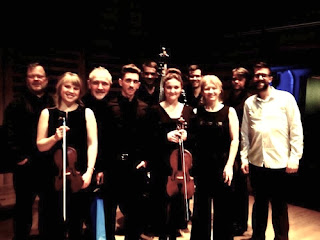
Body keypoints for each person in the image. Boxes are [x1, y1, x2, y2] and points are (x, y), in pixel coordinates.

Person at [240, 62, 304, 240]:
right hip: (256, 162)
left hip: (280, 163)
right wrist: (244, 158)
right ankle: (257, 237)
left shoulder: (286, 99)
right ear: (253, 78)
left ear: (270, 78)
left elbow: (296, 130)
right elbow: (244, 133)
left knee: (279, 206)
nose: (259, 78)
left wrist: (295, 158)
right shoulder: (249, 103)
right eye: (256, 75)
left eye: (263, 75)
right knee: (259, 205)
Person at [36, 72, 98, 240]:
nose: (71, 91)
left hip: (79, 176)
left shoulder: (87, 113)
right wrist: (55, 138)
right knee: (52, 224)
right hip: (53, 177)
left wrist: (89, 172)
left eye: (75, 87)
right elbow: (40, 146)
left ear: (80, 91)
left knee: (77, 224)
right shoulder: (47, 113)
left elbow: (92, 144)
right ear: (59, 88)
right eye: (67, 86)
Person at [3, 62, 55, 240]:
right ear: (27, 80)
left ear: (46, 80)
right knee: (23, 209)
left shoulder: (52, 102)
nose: (36, 79)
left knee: (48, 208)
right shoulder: (16, 103)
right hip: (26, 165)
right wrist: (19, 158)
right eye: (32, 76)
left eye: (40, 76)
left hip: (48, 164)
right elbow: (8, 133)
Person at [147, 70, 196, 240]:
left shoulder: (189, 111)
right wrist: (165, 137)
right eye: (169, 87)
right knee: (160, 204)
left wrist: (187, 136)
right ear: (164, 88)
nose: (172, 91)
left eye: (176, 87)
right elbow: (148, 138)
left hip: (182, 166)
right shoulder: (154, 110)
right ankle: (161, 235)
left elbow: (197, 137)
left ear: (181, 88)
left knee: (177, 206)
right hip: (161, 164)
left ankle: (174, 234)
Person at [190, 75, 239, 240]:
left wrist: (229, 165)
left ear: (219, 90)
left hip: (222, 166)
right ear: (202, 91)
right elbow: (193, 140)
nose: (210, 91)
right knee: (200, 210)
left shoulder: (229, 111)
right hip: (202, 167)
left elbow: (235, 140)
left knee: (223, 210)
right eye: (206, 88)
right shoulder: (197, 112)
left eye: (214, 88)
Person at [103, 63, 149, 240]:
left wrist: (146, 160)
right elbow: (103, 139)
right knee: (109, 212)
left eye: (135, 81)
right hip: (113, 167)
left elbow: (149, 139)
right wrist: (101, 167)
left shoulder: (144, 109)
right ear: (120, 82)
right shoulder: (109, 107)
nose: (131, 85)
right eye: (128, 80)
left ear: (139, 85)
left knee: (134, 215)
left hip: (135, 168)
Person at [81, 66, 113, 239]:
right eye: (96, 83)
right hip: (81, 166)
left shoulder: (112, 106)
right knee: (82, 210)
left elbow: (109, 142)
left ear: (110, 85)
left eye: (104, 83)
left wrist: (101, 168)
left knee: (102, 211)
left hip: (103, 166)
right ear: (88, 84)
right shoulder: (80, 105)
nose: (100, 87)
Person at [224, 67, 252, 236]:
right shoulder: (229, 97)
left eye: (239, 79)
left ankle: (240, 224)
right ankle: (231, 220)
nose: (236, 82)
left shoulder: (248, 100)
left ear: (245, 81)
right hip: (230, 144)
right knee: (232, 187)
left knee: (241, 188)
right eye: (234, 78)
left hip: (243, 146)